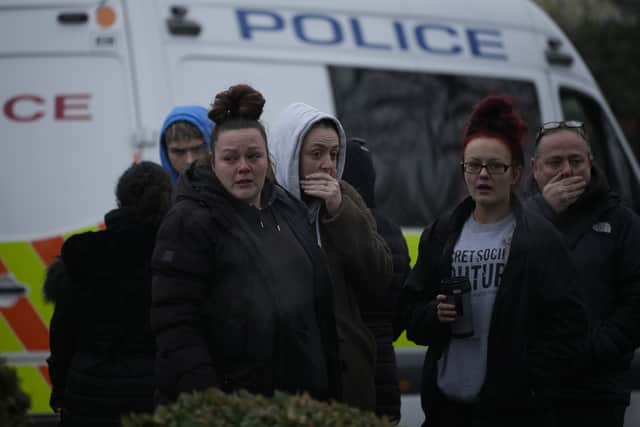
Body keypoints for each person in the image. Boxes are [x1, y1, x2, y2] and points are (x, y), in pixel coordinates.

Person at [400, 95, 587, 427]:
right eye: (473, 165)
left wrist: (527, 382)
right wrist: (434, 314)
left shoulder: (540, 239)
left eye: (494, 166)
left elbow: (569, 328)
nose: (482, 175)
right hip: (447, 411)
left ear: (515, 173)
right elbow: (410, 313)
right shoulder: (443, 233)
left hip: (513, 414)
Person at [150, 84, 341, 404]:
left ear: (269, 158)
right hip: (230, 408)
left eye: (254, 156)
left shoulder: (288, 209)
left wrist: (330, 389)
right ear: (213, 162)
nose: (243, 167)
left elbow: (318, 309)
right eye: (230, 158)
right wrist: (213, 405)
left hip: (301, 405)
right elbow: (175, 324)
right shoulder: (190, 221)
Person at [270, 102, 393, 412]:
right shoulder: (263, 210)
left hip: (347, 381)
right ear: (288, 155)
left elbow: (380, 279)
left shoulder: (347, 201)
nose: (327, 165)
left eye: (334, 154)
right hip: (287, 385)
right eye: (316, 154)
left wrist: (340, 213)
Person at [525, 120, 640, 427]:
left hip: (597, 392)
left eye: (576, 161)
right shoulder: (519, 220)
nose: (567, 171)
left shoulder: (622, 223)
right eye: (555, 162)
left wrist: (592, 349)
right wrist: (541, 212)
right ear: (535, 169)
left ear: (590, 164)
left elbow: (635, 303)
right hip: (529, 391)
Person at [45, 161, 173, 427]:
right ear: (166, 201)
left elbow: (62, 332)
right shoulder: (174, 256)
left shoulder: (84, 254)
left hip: (87, 397)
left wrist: (59, 392)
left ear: (119, 200)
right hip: (153, 399)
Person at [341, 137, 411, 422]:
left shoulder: (339, 228)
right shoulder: (390, 229)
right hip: (385, 372)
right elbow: (401, 311)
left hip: (351, 377)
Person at [159, 105, 214, 183]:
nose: (189, 160)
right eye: (178, 152)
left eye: (197, 149)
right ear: (165, 152)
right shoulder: (157, 193)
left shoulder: (234, 190)